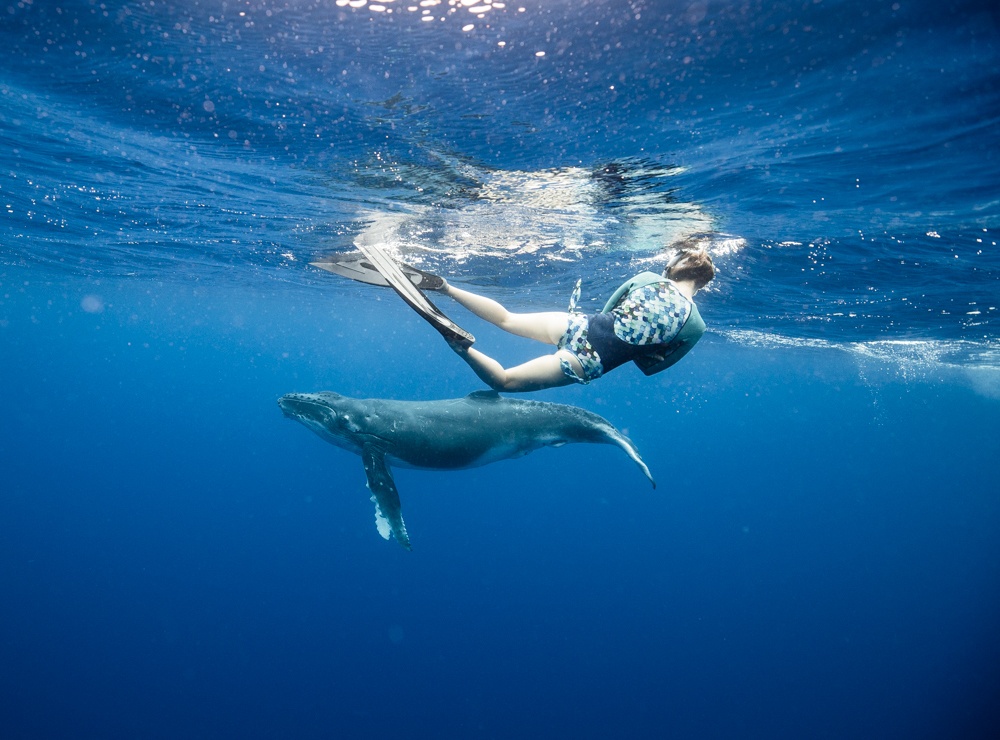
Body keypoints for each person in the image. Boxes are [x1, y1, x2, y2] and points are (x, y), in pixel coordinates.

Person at [424, 242, 716, 392]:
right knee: (504, 381)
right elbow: (651, 369)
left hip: (582, 324)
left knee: (507, 319)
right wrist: (644, 347)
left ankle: (447, 288)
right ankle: (460, 346)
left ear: (676, 268)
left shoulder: (649, 277)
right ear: (703, 282)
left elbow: (607, 310)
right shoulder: (696, 326)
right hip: (591, 360)